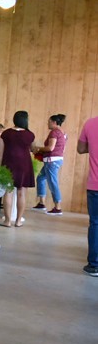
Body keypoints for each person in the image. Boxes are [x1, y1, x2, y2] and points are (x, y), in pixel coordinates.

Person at [0, 110, 35, 228]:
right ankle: (18, 221)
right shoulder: (30, 135)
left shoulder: (5, 133)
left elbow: (0, 152)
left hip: (8, 163)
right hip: (24, 164)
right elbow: (33, 149)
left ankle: (7, 221)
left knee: (8, 192)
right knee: (21, 193)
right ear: (25, 120)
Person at [32, 114, 67, 215]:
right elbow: (62, 149)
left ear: (54, 122)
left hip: (51, 161)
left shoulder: (54, 132)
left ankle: (58, 207)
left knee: (52, 182)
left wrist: (38, 149)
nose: (47, 123)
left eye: (49, 121)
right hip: (55, 160)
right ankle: (41, 203)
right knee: (40, 178)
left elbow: (50, 148)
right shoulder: (63, 133)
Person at [77, 115, 98, 276]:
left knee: (95, 224)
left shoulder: (90, 123)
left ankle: (94, 265)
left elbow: (81, 149)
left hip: (95, 184)